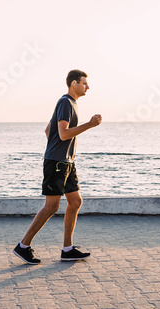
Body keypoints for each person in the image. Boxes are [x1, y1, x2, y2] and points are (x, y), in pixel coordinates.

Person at [13, 69, 102, 264]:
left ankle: (68, 249)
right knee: (51, 206)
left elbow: (49, 130)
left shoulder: (72, 104)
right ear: (74, 84)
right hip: (57, 163)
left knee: (75, 202)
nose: (88, 86)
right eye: (84, 83)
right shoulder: (65, 102)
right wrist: (89, 125)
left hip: (67, 162)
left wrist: (59, 150)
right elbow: (62, 134)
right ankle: (23, 246)